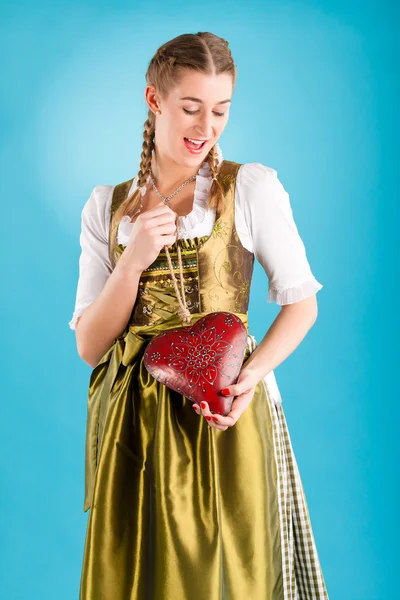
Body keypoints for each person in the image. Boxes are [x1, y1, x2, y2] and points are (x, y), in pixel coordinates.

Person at [69, 31, 329, 600]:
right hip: (133, 422)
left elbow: (302, 304)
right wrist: (132, 262)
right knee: (142, 575)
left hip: (224, 407)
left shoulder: (249, 188)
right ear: (154, 100)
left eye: (220, 110)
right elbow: (91, 347)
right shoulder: (106, 207)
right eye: (190, 107)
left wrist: (249, 381)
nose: (205, 127)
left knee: (230, 573)